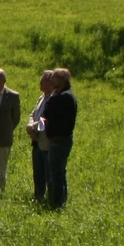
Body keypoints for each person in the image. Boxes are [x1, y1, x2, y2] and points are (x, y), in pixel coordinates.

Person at [42, 68, 78, 209]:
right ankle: (60, 200)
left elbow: (48, 112)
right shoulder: (65, 96)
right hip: (59, 140)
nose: (51, 80)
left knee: (55, 173)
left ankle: (57, 203)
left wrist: (52, 96)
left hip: (60, 141)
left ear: (63, 79)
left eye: (55, 77)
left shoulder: (64, 97)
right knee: (59, 172)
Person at [25, 70, 55, 201]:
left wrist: (33, 128)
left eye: (42, 81)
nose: (40, 83)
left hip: (45, 140)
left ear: (50, 82)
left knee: (48, 171)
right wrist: (30, 127)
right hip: (36, 140)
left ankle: (50, 198)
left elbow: (46, 119)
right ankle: (38, 196)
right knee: (37, 171)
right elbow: (33, 114)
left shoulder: (54, 99)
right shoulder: (41, 97)